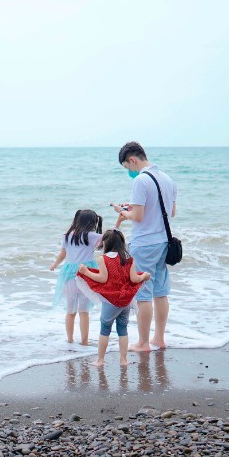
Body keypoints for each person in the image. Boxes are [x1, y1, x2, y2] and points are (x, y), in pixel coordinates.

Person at [111, 141, 177, 352]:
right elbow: (171, 211)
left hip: (144, 244)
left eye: (127, 167)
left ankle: (143, 343)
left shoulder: (141, 180)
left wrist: (123, 212)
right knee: (160, 292)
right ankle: (159, 339)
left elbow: (138, 216)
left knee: (143, 294)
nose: (128, 172)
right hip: (164, 242)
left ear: (132, 160)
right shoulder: (167, 178)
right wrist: (133, 208)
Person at [76, 229, 150, 366]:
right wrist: (144, 276)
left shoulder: (103, 259)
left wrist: (86, 272)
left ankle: (100, 360)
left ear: (105, 243)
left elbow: (102, 278)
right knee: (123, 330)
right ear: (122, 243)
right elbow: (134, 279)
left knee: (105, 330)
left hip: (111, 301)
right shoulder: (129, 259)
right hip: (126, 301)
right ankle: (123, 360)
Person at [49, 209, 103, 345]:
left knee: (70, 310)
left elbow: (63, 254)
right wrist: (118, 223)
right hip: (86, 272)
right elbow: (109, 240)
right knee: (84, 311)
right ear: (92, 222)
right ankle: (84, 342)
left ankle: (70, 340)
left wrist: (55, 264)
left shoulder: (67, 236)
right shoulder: (92, 236)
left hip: (69, 273)